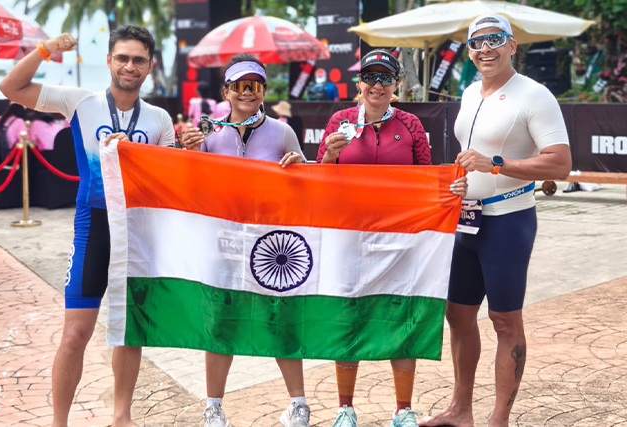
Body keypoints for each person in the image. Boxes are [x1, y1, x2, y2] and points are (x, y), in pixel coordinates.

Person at [0, 24, 175, 427]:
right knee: (76, 333)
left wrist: (188, 149)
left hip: (137, 233)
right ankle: (58, 422)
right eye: (122, 58)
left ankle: (121, 417)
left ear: (150, 66)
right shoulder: (80, 102)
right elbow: (11, 87)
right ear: (109, 60)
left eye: (138, 60)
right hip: (93, 228)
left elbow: (169, 179)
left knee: (128, 332)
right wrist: (46, 49)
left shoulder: (159, 119)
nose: (130, 66)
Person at [419, 14, 571, 427]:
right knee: (457, 316)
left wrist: (496, 164)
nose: (485, 49)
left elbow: (559, 164)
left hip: (507, 221)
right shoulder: (470, 92)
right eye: (476, 42)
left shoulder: (534, 95)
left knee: (505, 321)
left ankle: (499, 419)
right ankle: (460, 409)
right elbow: (471, 154)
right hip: (465, 219)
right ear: (469, 51)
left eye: (495, 39)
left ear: (512, 45)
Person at [317, 49, 467, 427]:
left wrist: (453, 188)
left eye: (385, 78)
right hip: (349, 236)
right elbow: (319, 179)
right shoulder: (339, 122)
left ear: (396, 84)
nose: (377, 85)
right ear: (359, 83)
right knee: (348, 317)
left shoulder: (410, 124)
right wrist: (329, 157)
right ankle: (345, 409)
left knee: (402, 315)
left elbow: (426, 180)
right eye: (370, 77)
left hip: (401, 239)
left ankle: (402, 410)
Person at [179, 54, 309, 427]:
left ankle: (298, 404)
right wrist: (190, 152)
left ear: (264, 90)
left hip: (271, 245)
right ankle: (213, 408)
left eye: (254, 85)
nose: (246, 92)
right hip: (222, 242)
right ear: (226, 92)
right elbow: (192, 184)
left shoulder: (282, 132)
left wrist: (299, 168)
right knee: (220, 323)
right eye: (239, 85)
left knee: (280, 320)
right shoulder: (208, 133)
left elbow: (306, 185)